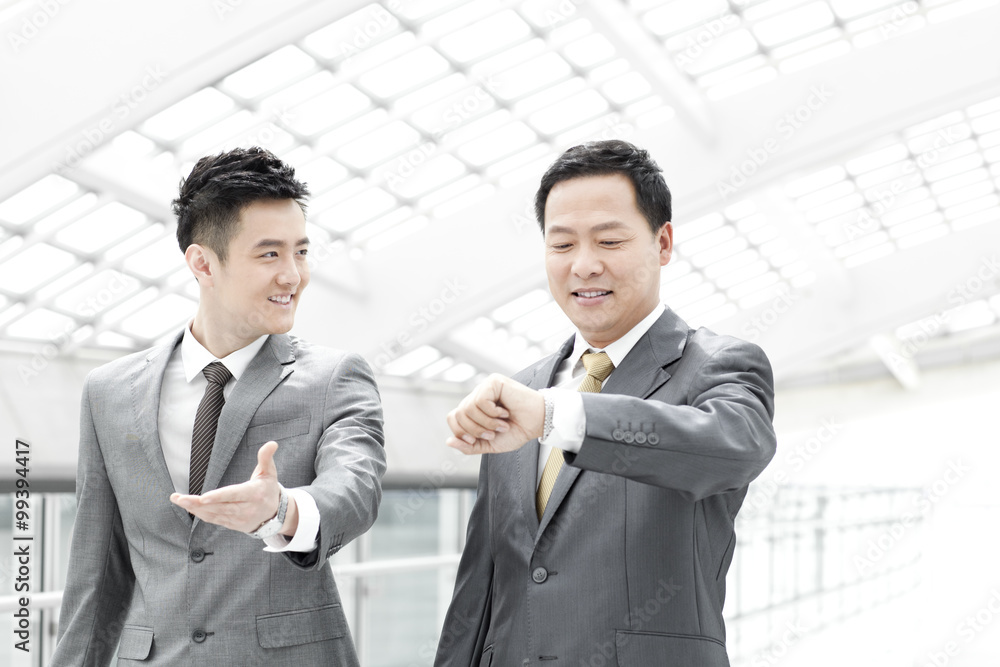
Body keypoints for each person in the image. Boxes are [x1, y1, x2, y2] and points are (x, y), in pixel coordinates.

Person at [435, 139, 776, 666]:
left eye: (609, 241)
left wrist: (555, 417)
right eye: (562, 244)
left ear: (662, 243)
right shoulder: (523, 390)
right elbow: (480, 584)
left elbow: (734, 445)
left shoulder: (717, 365)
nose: (584, 266)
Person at [51, 147, 385, 666]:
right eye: (269, 254)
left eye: (301, 251)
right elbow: (96, 574)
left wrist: (282, 512)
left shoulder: (334, 379)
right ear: (203, 263)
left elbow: (355, 489)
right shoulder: (108, 392)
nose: (293, 276)